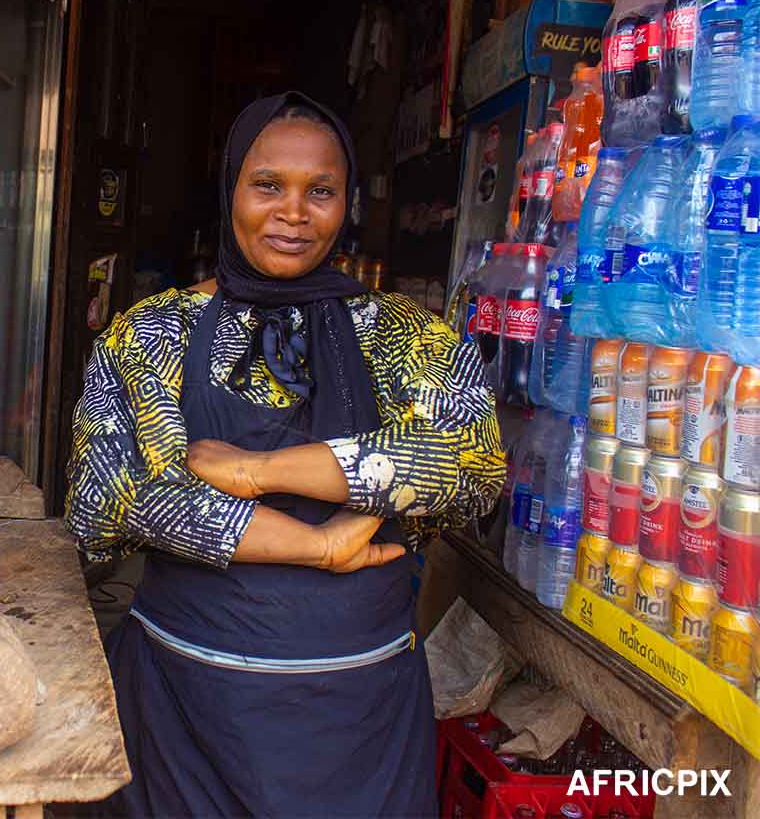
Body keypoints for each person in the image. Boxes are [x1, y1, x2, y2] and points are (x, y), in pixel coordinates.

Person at [65, 91, 505, 818]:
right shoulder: (153, 333)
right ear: (231, 186)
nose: (294, 212)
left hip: (360, 722)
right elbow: (110, 500)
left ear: (346, 203)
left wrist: (254, 471)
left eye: (320, 191)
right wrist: (317, 543)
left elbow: (470, 462)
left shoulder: (401, 334)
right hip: (187, 712)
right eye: (269, 185)